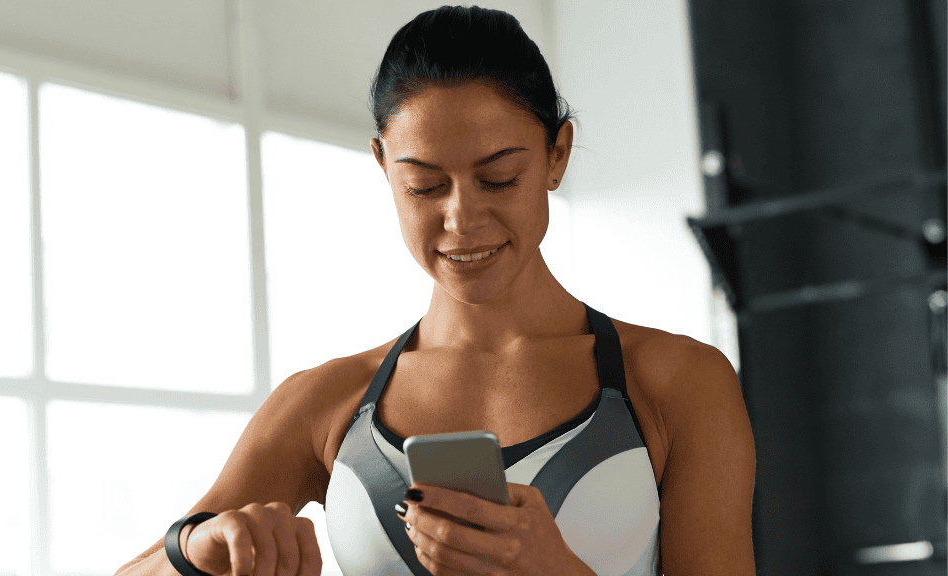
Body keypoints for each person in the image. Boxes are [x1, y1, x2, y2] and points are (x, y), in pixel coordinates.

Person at [115, 5, 756, 576]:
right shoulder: (327, 400)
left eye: (499, 178)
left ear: (557, 155)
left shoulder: (679, 383)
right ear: (382, 165)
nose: (461, 220)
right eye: (424, 185)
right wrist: (195, 557)